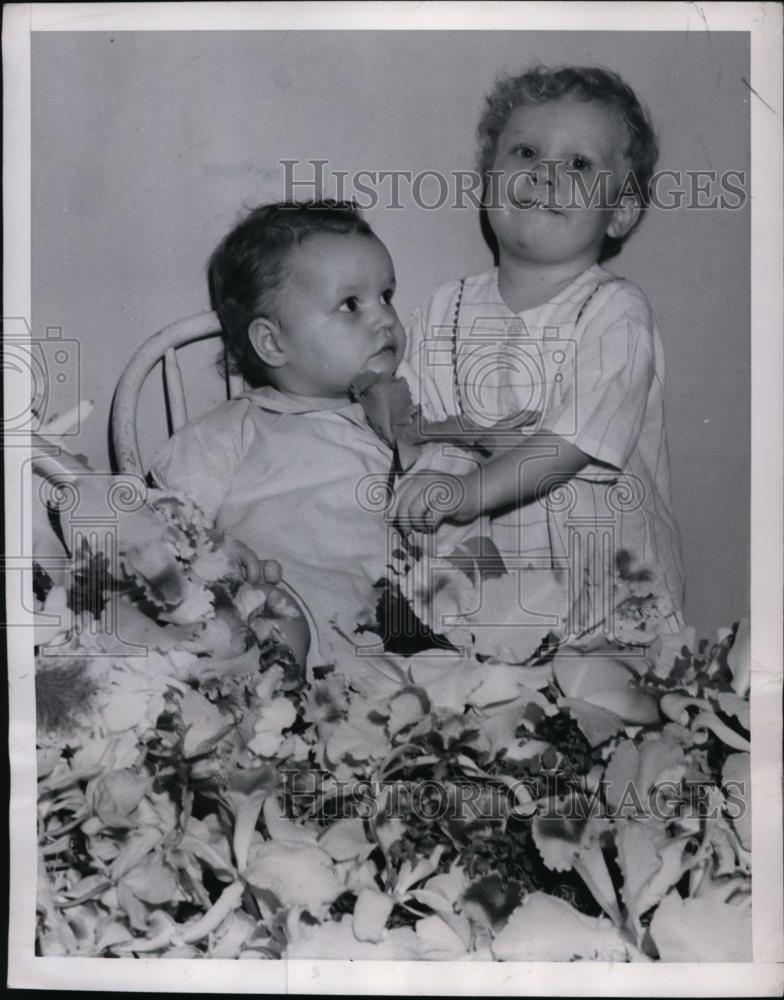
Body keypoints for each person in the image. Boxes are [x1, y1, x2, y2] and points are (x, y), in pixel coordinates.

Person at [395, 66, 685, 635]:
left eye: (578, 164)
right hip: (478, 567)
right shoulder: (442, 308)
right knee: (443, 677)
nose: (546, 174)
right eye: (525, 152)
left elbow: (568, 448)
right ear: (488, 180)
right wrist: (418, 475)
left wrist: (464, 489)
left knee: (597, 699)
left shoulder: (614, 312)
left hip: (596, 576)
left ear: (621, 211)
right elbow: (413, 426)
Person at [151, 201, 483, 646]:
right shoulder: (232, 431)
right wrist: (220, 551)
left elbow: (463, 523)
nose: (385, 317)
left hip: (400, 632)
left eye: (387, 296)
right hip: (289, 615)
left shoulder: (405, 428)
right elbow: (166, 525)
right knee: (271, 623)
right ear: (271, 342)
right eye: (350, 304)